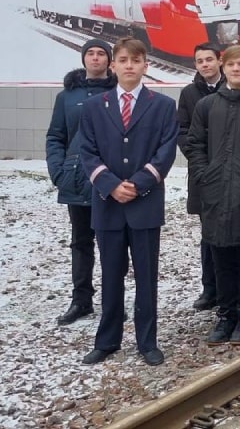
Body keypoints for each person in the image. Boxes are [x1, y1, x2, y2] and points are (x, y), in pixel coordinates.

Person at [78, 37, 178, 367]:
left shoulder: (163, 106)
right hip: (108, 204)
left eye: (136, 60)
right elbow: (87, 151)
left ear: (145, 66)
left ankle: (147, 341)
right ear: (113, 66)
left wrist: (137, 184)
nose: (130, 66)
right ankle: (107, 340)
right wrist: (110, 185)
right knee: (110, 275)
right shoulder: (94, 107)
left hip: (144, 204)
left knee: (146, 277)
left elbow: (165, 151)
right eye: (123, 60)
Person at [183, 45, 240, 345]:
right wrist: (205, 176)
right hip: (215, 193)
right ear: (223, 66)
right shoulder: (207, 105)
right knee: (220, 257)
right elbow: (195, 144)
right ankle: (225, 314)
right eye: (231, 65)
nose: (236, 69)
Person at [45, 38, 116, 326]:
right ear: (83, 58)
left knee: (112, 243)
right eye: (91, 54)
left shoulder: (118, 92)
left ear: (109, 60)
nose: (95, 58)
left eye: (101, 54)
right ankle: (81, 299)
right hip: (76, 178)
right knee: (81, 242)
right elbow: (56, 136)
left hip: (110, 180)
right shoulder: (67, 96)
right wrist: (58, 171)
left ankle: (113, 300)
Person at [176, 43, 223, 312]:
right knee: (208, 233)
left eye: (209, 59)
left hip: (231, 172)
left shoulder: (232, 87)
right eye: (200, 61)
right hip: (203, 174)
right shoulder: (189, 93)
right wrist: (201, 162)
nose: (205, 64)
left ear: (219, 61)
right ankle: (210, 288)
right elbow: (183, 132)